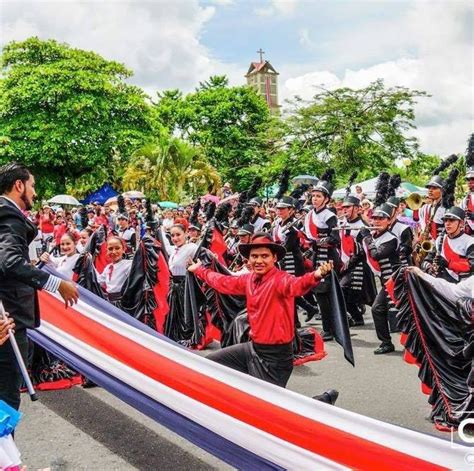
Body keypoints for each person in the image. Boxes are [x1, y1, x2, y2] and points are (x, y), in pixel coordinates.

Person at [188, 233, 338, 404]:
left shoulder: (281, 280)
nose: (259, 261)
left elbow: (297, 285)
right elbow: (222, 281)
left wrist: (316, 275)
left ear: (274, 258)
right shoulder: (248, 279)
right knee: (208, 364)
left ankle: (321, 402)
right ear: (248, 259)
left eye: (264, 256)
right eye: (254, 256)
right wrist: (199, 270)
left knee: (272, 408)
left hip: (276, 358)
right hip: (252, 349)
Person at [0, 162, 78, 410]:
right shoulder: (8, 214)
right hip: (8, 321)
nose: (35, 192)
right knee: (7, 400)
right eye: (32, 185)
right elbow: (9, 262)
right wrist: (57, 284)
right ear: (19, 185)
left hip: (9, 316)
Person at [303, 177, 341, 341]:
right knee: (319, 293)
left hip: (328, 258)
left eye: (319, 196)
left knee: (324, 292)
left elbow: (335, 237)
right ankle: (330, 327)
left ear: (326, 199)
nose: (315, 199)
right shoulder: (309, 214)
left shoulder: (329, 215)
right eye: (314, 196)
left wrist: (323, 240)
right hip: (317, 256)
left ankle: (330, 328)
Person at [360, 203, 401, 354]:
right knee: (378, 309)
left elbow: (377, 254)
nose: (377, 221)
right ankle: (386, 342)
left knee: (406, 314)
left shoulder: (390, 238)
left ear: (389, 221)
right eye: (375, 218)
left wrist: (367, 238)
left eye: (381, 219)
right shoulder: (375, 236)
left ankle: (420, 344)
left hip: (397, 281)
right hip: (386, 282)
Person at [161, 224, 199, 342]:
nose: (175, 238)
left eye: (178, 235)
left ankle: (187, 337)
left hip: (185, 285)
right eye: (172, 235)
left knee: (184, 313)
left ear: (186, 234)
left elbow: (205, 257)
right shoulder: (173, 250)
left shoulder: (191, 247)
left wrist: (194, 265)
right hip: (174, 286)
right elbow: (164, 244)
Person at [422, 207, 474, 282]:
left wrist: (449, 264)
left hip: (461, 286)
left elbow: (471, 266)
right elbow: (426, 260)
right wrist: (429, 269)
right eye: (445, 220)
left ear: (461, 223)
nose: (447, 223)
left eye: (452, 220)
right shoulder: (440, 239)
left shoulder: (470, 242)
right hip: (441, 283)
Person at [96, 236, 133, 303]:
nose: (114, 251)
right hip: (110, 302)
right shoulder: (108, 267)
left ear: (123, 249)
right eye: (110, 249)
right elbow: (99, 281)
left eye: (117, 248)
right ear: (106, 251)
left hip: (122, 303)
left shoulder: (128, 265)